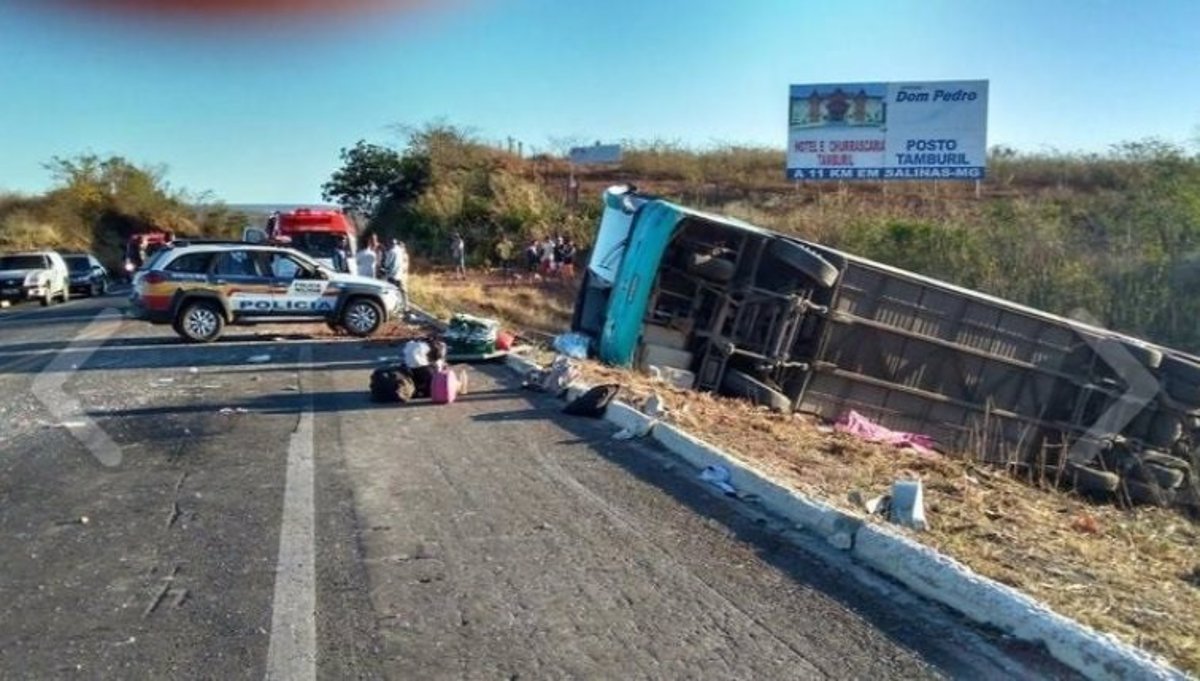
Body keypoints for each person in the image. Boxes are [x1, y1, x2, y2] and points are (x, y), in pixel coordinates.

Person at [380, 238, 409, 312]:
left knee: (392, 292)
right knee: (400, 292)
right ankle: (403, 307)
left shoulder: (392, 252)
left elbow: (387, 264)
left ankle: (393, 309)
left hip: (392, 275)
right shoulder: (401, 252)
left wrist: (384, 254)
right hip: (400, 275)